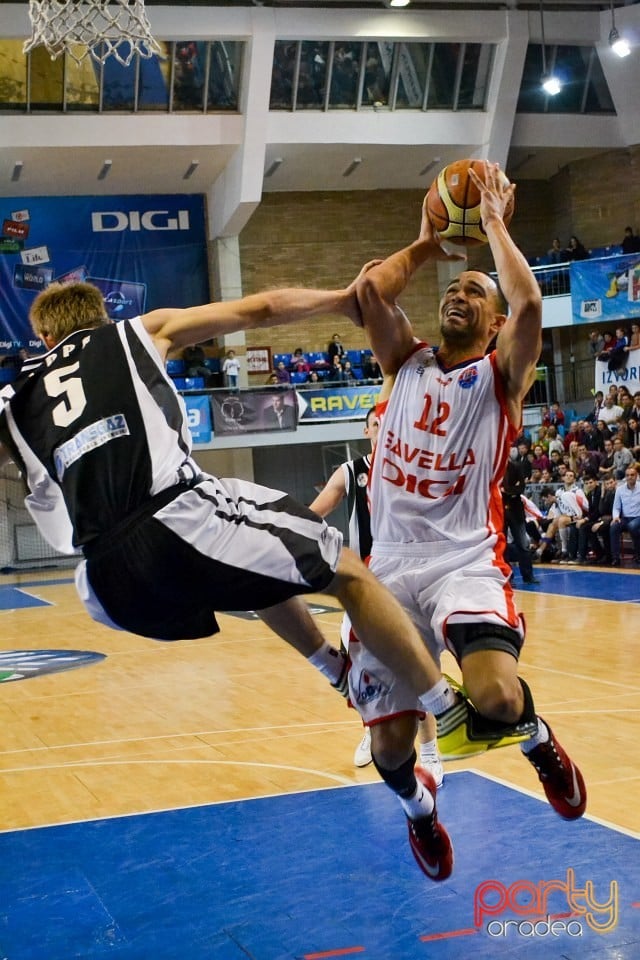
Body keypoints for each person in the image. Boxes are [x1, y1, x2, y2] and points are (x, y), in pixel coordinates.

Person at [0, 278, 505, 877]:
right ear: (99, 316)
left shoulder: (16, 396)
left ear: (45, 335)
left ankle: (345, 684)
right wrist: (344, 299)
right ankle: (445, 708)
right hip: (171, 517)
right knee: (347, 571)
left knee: (251, 570)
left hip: (108, 585)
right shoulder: (134, 332)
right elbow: (258, 308)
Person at [352, 162, 586, 878]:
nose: (459, 294)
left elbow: (531, 306)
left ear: (492, 323)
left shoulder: (501, 376)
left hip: (464, 559)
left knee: (494, 697)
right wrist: (426, 242)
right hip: (387, 569)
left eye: (474, 292)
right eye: (454, 287)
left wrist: (491, 226)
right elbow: (369, 292)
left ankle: (537, 739)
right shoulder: (404, 361)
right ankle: (421, 814)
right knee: (391, 748)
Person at [309, 406, 444, 783]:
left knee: (415, 665)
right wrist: (290, 530)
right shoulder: (352, 471)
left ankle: (431, 752)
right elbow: (319, 509)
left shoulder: (415, 471)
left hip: (404, 582)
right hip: (362, 583)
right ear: (366, 431)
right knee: (355, 670)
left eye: (388, 425)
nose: (381, 430)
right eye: (375, 425)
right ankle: (373, 728)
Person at [610, 465, 640, 566]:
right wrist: (616, 517)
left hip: (638, 517)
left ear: (637, 476)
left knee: (632, 526)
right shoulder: (620, 489)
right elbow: (616, 507)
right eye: (627, 475)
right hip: (625, 517)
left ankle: (638, 554)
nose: (630, 477)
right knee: (614, 527)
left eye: (632, 475)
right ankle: (615, 558)